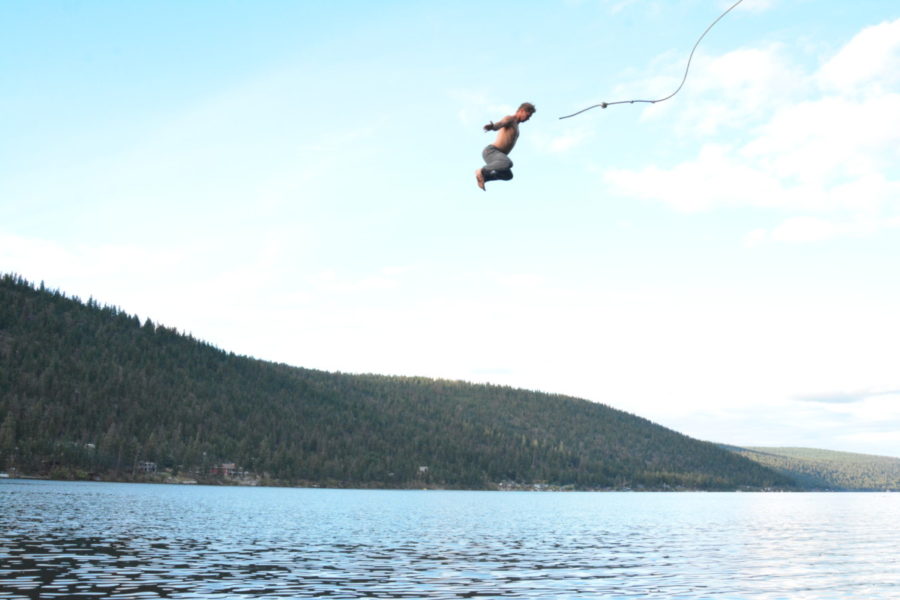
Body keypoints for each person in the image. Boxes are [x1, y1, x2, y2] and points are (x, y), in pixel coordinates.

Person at [475, 102, 536, 190]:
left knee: (508, 175)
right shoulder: (510, 119)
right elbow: (500, 124)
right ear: (522, 111)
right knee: (508, 163)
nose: (528, 118)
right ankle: (481, 171)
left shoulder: (517, 127)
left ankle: (485, 178)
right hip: (491, 151)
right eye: (528, 115)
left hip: (498, 157)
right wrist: (493, 126)